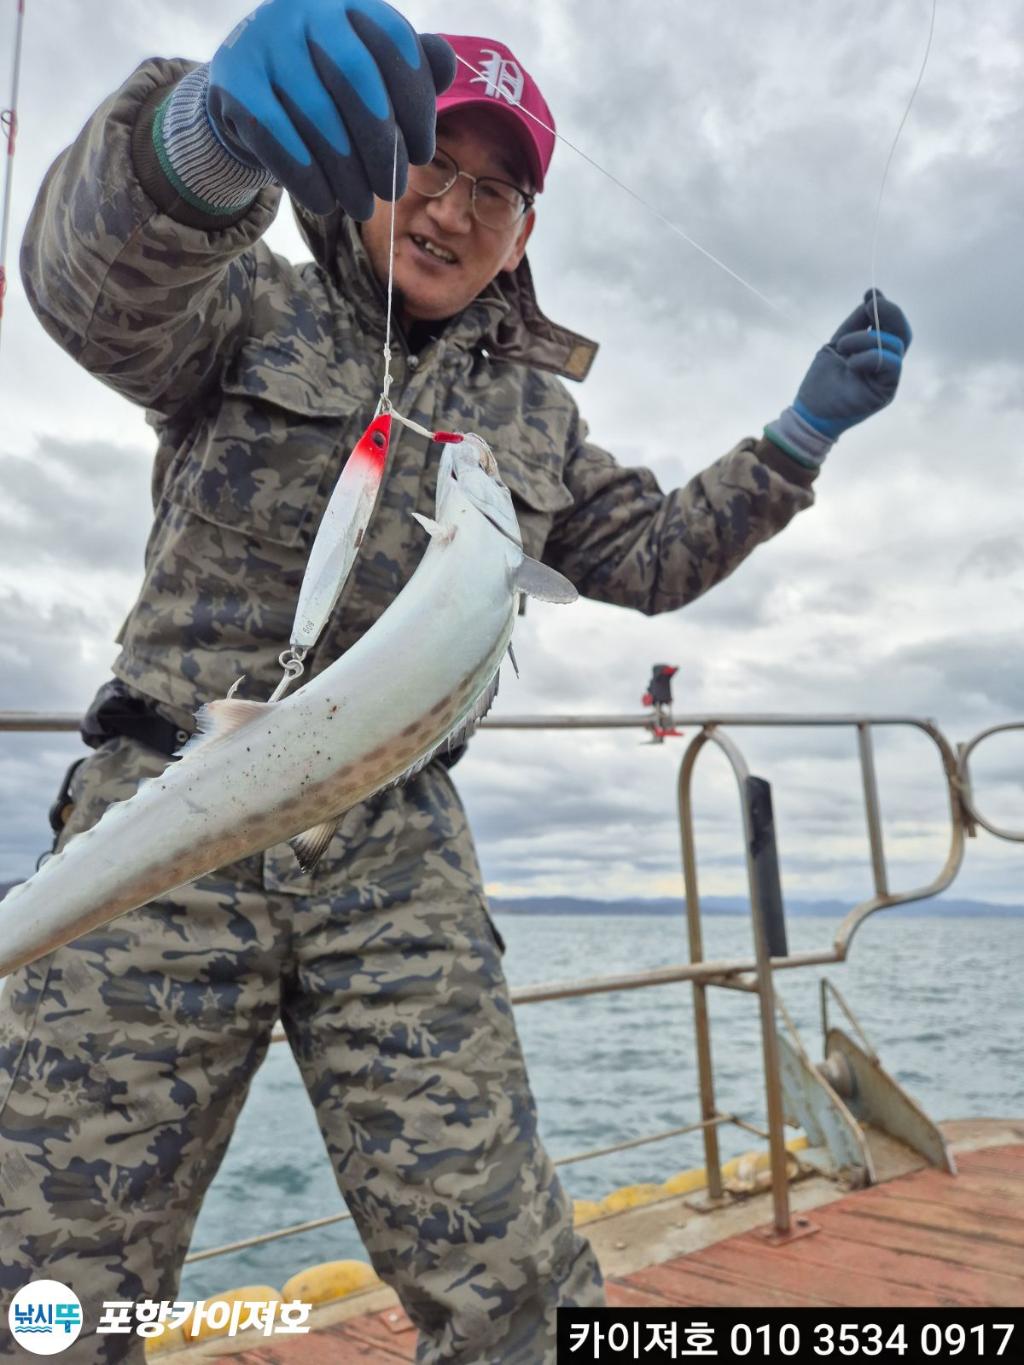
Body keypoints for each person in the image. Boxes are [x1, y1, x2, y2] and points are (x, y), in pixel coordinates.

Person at [0, 2, 911, 1361]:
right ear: (372, 168)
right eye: (429, 160)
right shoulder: (248, 299)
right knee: (45, 1279)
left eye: (498, 188)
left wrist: (797, 435)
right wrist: (196, 146)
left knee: (516, 1284)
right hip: (169, 802)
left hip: (392, 836)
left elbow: (651, 554)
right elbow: (94, 291)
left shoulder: (535, 413)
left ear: (527, 233)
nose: (453, 205)